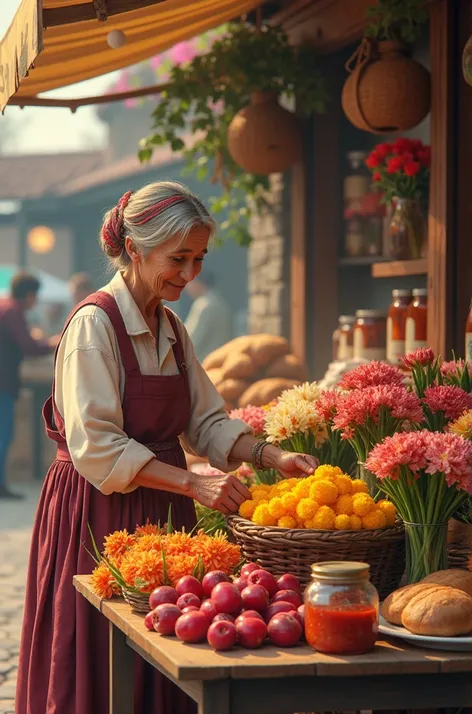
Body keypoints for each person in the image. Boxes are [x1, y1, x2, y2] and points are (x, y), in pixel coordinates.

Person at [16, 181, 318, 714]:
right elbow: (97, 446)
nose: (190, 274)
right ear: (134, 248)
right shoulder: (94, 325)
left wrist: (272, 457)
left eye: (198, 259)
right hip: (98, 511)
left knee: (166, 649)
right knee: (97, 652)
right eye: (178, 258)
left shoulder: (172, 326)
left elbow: (204, 419)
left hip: (165, 508)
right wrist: (194, 483)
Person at [0, 273, 56, 500]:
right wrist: (52, 343)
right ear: (30, 294)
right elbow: (28, 346)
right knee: (4, 436)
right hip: (3, 385)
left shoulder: (5, 307)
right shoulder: (12, 312)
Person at [184, 273, 231, 362]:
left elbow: (191, 340)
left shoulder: (204, 305)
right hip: (219, 360)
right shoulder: (217, 301)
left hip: (205, 364)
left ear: (198, 282)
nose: (187, 289)